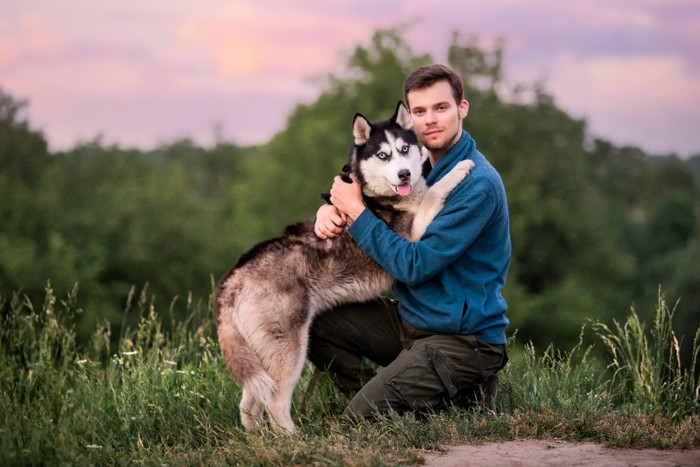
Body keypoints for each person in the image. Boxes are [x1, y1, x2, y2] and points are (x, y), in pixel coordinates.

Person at [309, 63, 510, 420]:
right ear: (409, 119)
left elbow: (413, 266)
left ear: (462, 109)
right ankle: (382, 392)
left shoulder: (477, 184)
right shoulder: (418, 172)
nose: (430, 120)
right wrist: (328, 211)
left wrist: (355, 213)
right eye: (420, 111)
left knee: (361, 417)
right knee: (313, 317)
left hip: (464, 341)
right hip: (412, 323)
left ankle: (461, 395)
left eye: (441, 108)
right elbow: (365, 186)